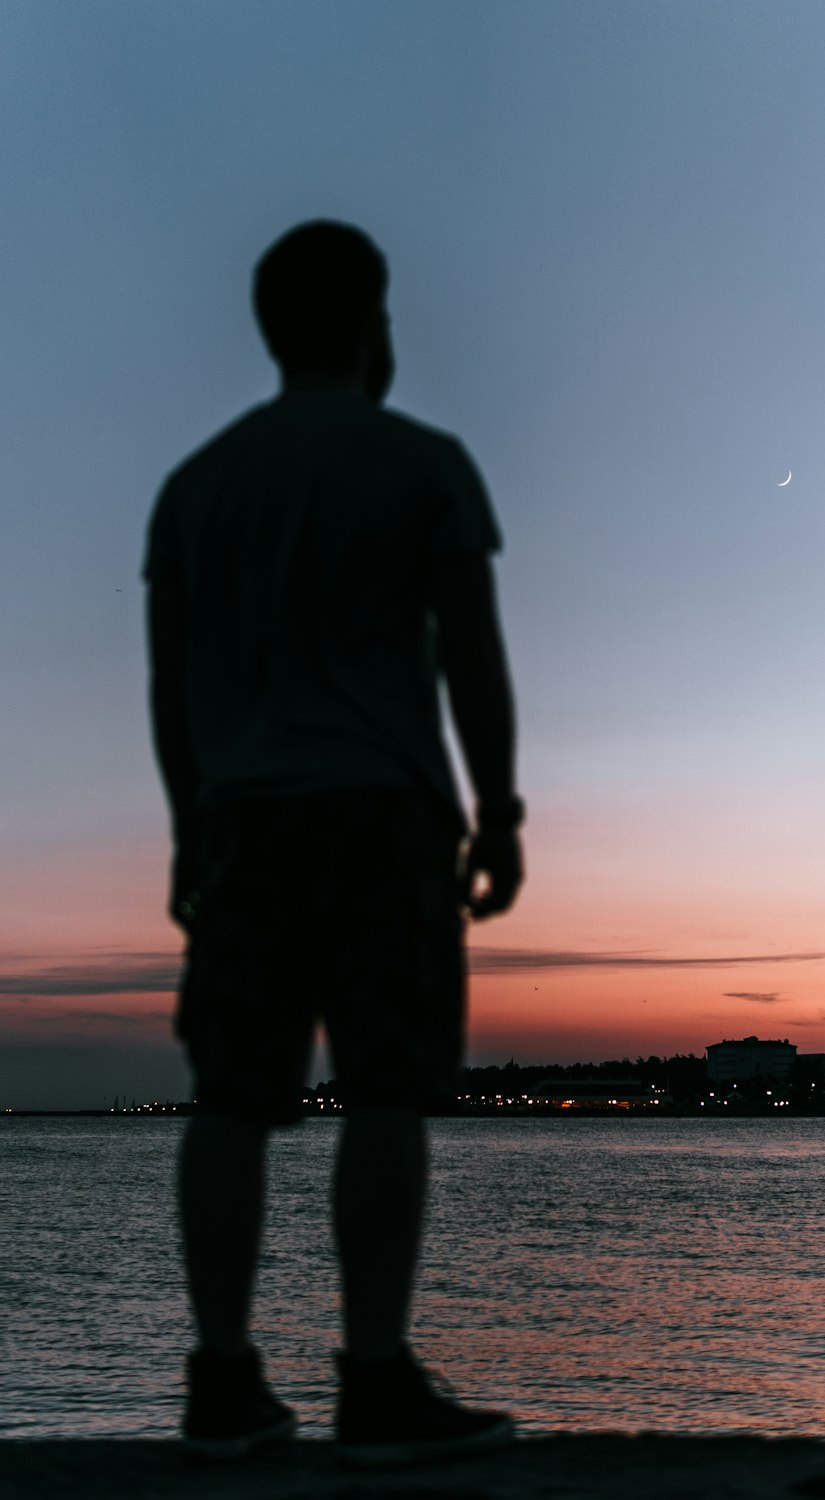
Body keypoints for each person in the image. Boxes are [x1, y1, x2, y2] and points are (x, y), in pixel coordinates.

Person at [143, 220, 524, 1465]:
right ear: (375, 322)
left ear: (269, 327)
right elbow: (471, 656)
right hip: (381, 810)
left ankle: (222, 1381)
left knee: (232, 1103)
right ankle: (373, 1381)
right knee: (385, 1093)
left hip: (243, 813)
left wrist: (188, 829)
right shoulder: (423, 463)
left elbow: (171, 689)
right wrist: (499, 811)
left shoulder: (197, 484)